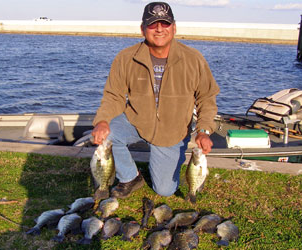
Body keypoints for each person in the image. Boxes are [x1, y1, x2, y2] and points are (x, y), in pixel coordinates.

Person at [91, 2, 220, 199]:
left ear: (174, 27)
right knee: (107, 136)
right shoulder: (126, 58)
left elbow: (207, 98)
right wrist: (102, 121)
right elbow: (114, 95)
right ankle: (130, 177)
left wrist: (203, 131)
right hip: (135, 121)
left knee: (165, 190)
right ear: (143, 29)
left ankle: (167, 163)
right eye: (152, 24)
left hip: (172, 132)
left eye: (165, 23)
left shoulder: (193, 59)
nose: (159, 29)